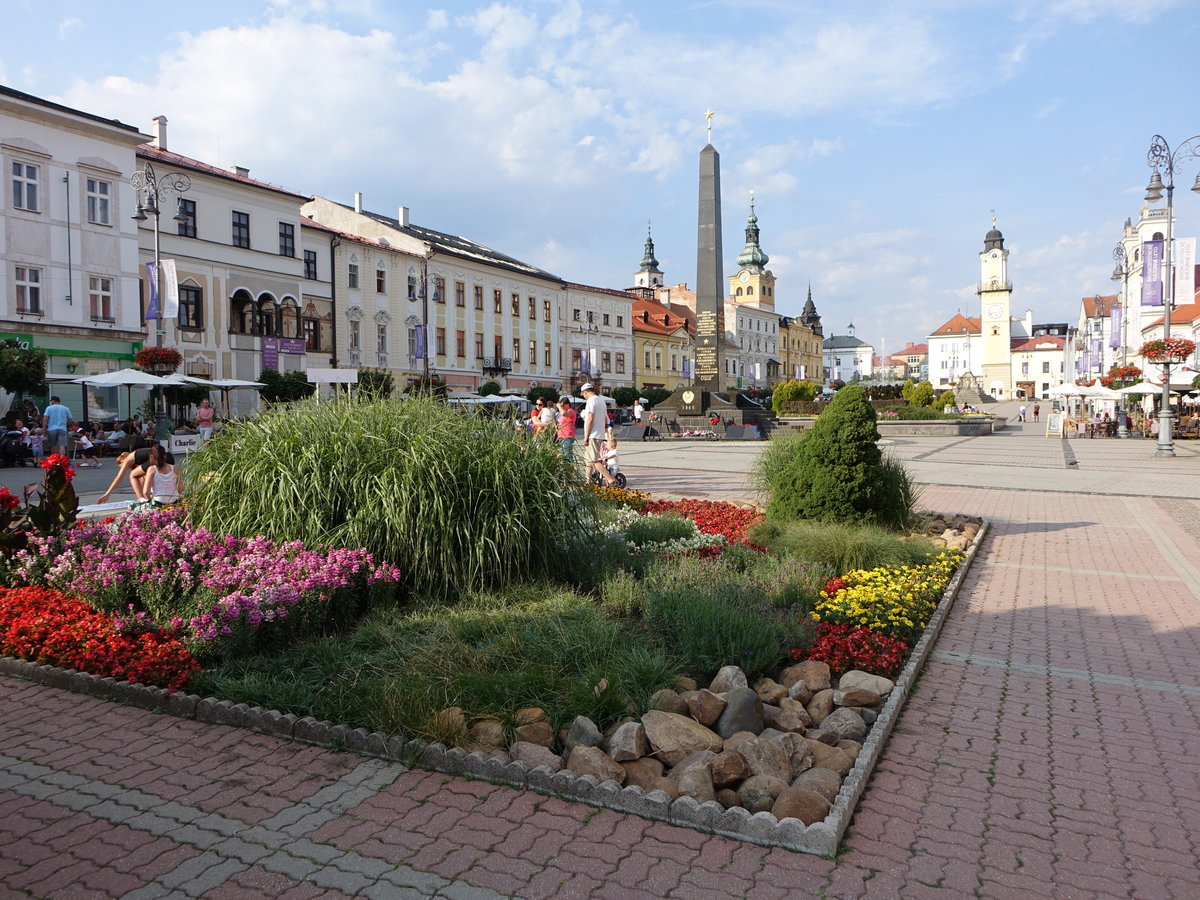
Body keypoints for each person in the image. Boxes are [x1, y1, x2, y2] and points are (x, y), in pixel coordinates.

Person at [97, 446, 177, 505]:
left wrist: (107, 493)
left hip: (159, 457)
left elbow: (119, 477)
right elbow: (144, 480)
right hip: (168, 457)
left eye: (121, 466)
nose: (123, 468)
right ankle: (164, 496)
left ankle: (142, 501)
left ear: (122, 461)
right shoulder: (141, 464)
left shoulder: (129, 458)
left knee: (133, 475)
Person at [580, 383, 616, 486]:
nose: (584, 396)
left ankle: (610, 479)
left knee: (594, 460)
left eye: (583, 394)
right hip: (599, 434)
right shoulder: (601, 401)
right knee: (588, 460)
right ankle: (587, 482)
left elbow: (590, 419)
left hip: (593, 435)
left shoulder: (591, 401)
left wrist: (586, 437)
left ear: (586, 392)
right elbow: (606, 420)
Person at [555, 397, 576, 461]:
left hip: (567, 436)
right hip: (561, 436)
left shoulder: (570, 411)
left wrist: (559, 407)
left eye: (563, 405)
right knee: (563, 455)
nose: (562, 407)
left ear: (567, 404)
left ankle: (570, 470)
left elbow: (564, 414)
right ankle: (565, 470)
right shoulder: (561, 413)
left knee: (567, 455)